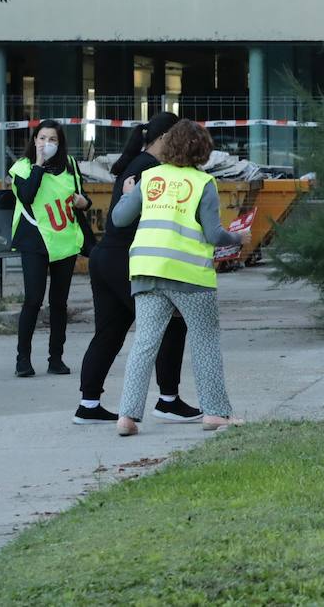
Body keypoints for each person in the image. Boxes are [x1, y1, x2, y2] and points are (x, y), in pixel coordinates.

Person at [110, 121, 251, 435]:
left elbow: (120, 219)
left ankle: (127, 417)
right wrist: (238, 238)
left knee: (144, 344)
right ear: (203, 151)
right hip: (189, 275)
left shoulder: (149, 178)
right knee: (205, 341)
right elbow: (214, 234)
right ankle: (215, 413)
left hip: (147, 270)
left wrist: (126, 194)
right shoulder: (203, 184)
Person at [74, 112, 201, 425]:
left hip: (105, 257)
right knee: (170, 321)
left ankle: (88, 404)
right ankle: (168, 400)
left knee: (110, 331)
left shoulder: (136, 166)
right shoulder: (153, 170)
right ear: (165, 139)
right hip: (125, 259)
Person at [9, 119, 90, 378]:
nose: (46, 144)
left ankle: (56, 358)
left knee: (59, 302)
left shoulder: (71, 167)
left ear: (60, 143)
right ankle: (23, 359)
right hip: (35, 242)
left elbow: (82, 199)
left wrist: (84, 202)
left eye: (52, 139)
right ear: (34, 141)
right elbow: (27, 196)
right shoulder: (22, 168)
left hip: (64, 242)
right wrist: (38, 166)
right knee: (33, 300)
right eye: (42, 138)